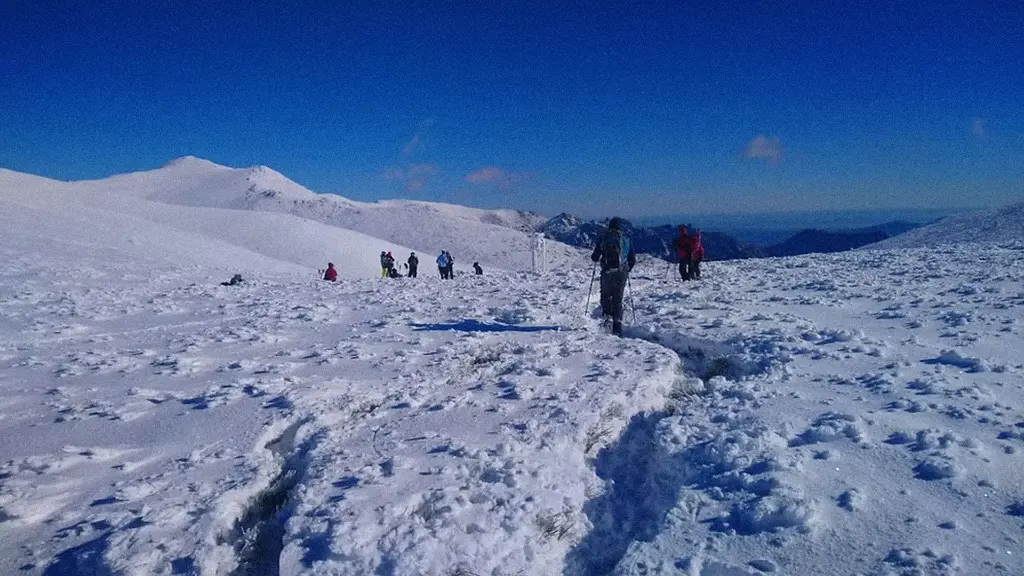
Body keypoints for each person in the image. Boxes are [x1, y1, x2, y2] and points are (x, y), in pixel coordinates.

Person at [591, 217, 636, 336]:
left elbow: (594, 257)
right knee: (618, 297)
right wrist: (627, 269)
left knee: (605, 295)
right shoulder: (626, 239)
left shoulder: (604, 238)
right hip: (621, 272)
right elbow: (632, 259)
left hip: (607, 272)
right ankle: (617, 325)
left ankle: (607, 319)